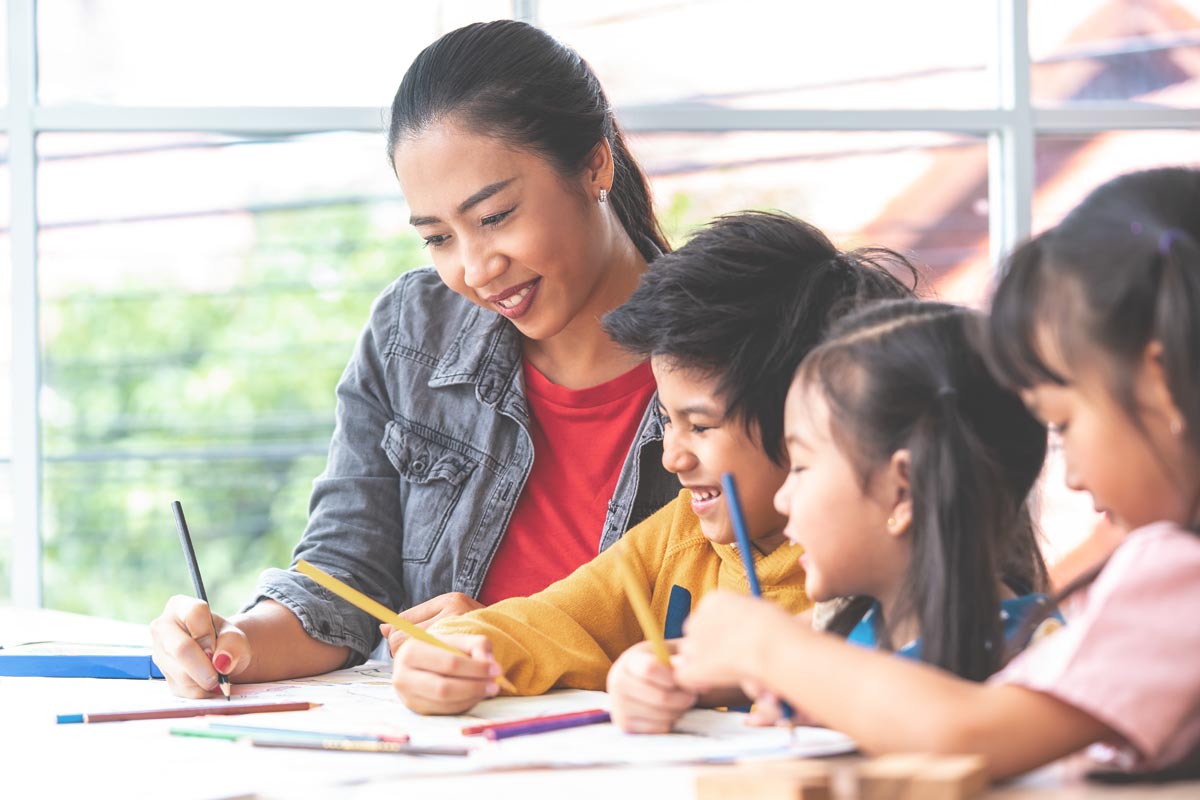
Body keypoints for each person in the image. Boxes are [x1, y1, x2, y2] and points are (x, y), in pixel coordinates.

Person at [150, 19, 680, 698]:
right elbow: (345, 581)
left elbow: (774, 612)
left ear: (594, 163)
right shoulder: (413, 331)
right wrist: (235, 644)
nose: (475, 268)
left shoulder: (733, 348)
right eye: (436, 237)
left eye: (495, 217)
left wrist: (518, 641)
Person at [674, 167, 1200, 780]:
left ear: (1158, 384)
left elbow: (969, 733)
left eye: (1065, 423)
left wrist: (767, 645)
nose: (1075, 476)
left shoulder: (1177, 573)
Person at [388, 211, 918, 726]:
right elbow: (558, 618)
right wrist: (460, 651)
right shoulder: (681, 533)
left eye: (703, 426)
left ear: (814, 417)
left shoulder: (877, 555)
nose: (673, 457)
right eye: (667, 420)